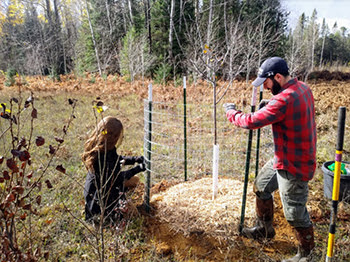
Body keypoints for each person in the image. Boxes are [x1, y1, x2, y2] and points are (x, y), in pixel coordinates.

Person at [224, 57, 316, 262]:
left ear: (278, 77)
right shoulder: (302, 88)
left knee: (294, 212)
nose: (264, 86)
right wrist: (269, 103)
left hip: (295, 163)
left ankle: (306, 255)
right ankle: (264, 229)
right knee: (262, 186)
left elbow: (251, 121)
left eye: (266, 82)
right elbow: (285, 106)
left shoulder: (284, 100)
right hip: (284, 155)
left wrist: (231, 112)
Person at [82, 116, 146, 225]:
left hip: (107, 188)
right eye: (111, 135)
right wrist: (137, 169)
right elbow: (116, 178)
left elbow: (116, 159)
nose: (114, 138)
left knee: (135, 180)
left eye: (116, 136)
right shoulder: (99, 154)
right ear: (103, 132)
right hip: (98, 198)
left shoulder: (108, 146)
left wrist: (135, 159)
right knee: (122, 217)